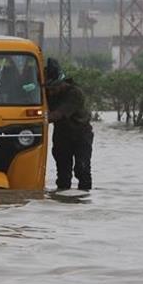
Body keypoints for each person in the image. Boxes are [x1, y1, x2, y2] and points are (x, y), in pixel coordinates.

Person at [44, 58, 93, 191]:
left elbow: (58, 114)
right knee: (63, 174)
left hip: (81, 135)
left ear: (62, 83)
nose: (50, 92)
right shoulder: (48, 93)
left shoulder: (75, 93)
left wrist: (35, 120)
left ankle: (84, 198)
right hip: (61, 136)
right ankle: (62, 200)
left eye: (53, 88)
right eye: (48, 89)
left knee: (82, 169)